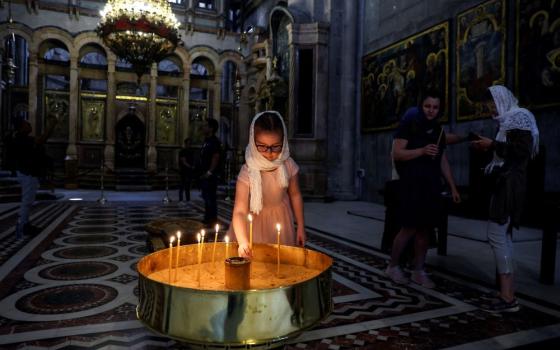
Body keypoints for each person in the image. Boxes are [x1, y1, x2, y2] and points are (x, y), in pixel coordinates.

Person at [471, 85, 539, 313]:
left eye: (490, 105)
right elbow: (507, 152)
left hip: (510, 185)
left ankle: (508, 297)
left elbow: (522, 151)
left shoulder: (519, 117)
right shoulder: (508, 121)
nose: (489, 110)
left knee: (498, 236)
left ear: (500, 100)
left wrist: (492, 144)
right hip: (505, 182)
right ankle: (507, 293)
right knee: (502, 237)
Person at [385, 90, 461, 288]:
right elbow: (398, 154)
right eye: (428, 106)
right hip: (412, 183)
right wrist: (421, 151)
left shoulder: (438, 130)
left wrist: (452, 187)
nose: (431, 111)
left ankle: (418, 269)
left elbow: (442, 160)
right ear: (421, 106)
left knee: (425, 230)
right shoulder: (409, 125)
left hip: (431, 184)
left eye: (435, 107)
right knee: (408, 228)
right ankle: (392, 266)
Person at [229, 111, 306, 258]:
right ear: (253, 141)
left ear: (284, 142)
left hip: (281, 221)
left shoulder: (288, 165)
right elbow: (239, 211)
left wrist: (301, 226)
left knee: (279, 263)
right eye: (262, 146)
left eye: (276, 146)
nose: (269, 153)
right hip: (253, 225)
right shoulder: (248, 171)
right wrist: (243, 242)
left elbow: (295, 195)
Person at [13, 117, 58, 239]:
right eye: (27, 124)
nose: (30, 125)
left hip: (28, 172)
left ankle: (25, 224)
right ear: (22, 127)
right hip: (27, 173)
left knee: (28, 200)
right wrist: (51, 125)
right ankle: (21, 226)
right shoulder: (21, 139)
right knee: (27, 201)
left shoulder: (21, 138)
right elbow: (41, 140)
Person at [199, 118, 222, 226]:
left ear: (211, 128)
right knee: (206, 197)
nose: (203, 127)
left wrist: (209, 172)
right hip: (204, 174)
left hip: (210, 175)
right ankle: (207, 218)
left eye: (205, 125)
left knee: (210, 198)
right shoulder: (206, 141)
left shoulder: (214, 141)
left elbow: (216, 157)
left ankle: (212, 220)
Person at [178, 138, 195, 203]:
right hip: (183, 170)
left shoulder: (191, 151)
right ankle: (181, 199)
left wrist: (193, 166)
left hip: (189, 171)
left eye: (190, 144)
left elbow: (192, 160)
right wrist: (190, 166)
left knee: (188, 186)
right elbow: (183, 161)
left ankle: (188, 199)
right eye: (188, 143)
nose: (189, 145)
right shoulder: (182, 151)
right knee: (182, 186)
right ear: (185, 144)